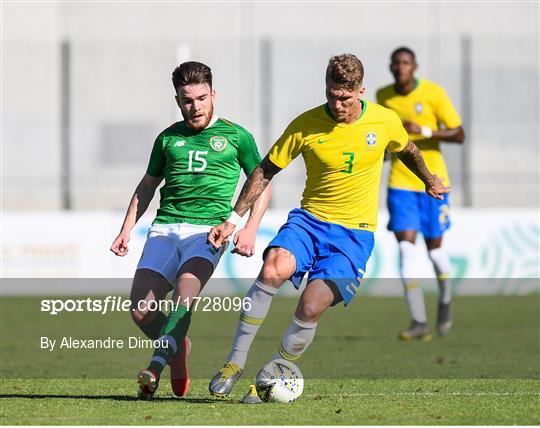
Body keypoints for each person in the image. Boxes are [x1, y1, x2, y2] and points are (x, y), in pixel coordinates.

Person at [206, 53, 449, 403]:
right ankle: (234, 363)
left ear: (361, 91)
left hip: (353, 235)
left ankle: (274, 374)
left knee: (310, 306)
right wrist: (234, 219)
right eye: (332, 95)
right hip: (309, 222)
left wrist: (428, 179)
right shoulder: (305, 124)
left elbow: (407, 148)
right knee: (273, 265)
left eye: (345, 97)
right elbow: (265, 170)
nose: (337, 104)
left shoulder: (383, 121)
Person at [110, 61, 271, 400]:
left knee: (186, 292)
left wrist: (249, 227)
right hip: (165, 229)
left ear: (213, 94)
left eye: (201, 98)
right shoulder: (168, 138)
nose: (194, 106)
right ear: (177, 100)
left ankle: (154, 367)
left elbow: (262, 183)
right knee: (141, 310)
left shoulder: (236, 136)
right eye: (187, 100)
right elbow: (147, 186)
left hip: (209, 232)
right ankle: (178, 348)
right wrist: (126, 230)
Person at [376, 47, 465, 341]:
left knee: (436, 252)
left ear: (414, 66)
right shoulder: (383, 97)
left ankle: (446, 297)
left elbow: (458, 133)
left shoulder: (433, 93)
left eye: (406, 62)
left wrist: (425, 132)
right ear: (391, 67)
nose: (401, 67)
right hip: (401, 183)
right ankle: (418, 320)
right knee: (405, 249)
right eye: (396, 63)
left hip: (433, 182)